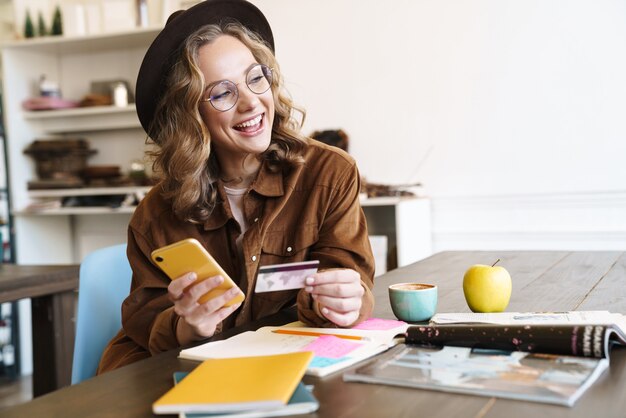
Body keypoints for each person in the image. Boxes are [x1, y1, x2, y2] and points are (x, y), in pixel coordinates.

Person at [98, 0, 375, 373]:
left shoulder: (328, 174)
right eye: (222, 92)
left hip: (285, 367)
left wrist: (343, 299)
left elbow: (352, 277)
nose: (250, 102)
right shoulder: (156, 214)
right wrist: (184, 326)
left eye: (254, 77)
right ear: (190, 114)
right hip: (175, 374)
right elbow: (144, 320)